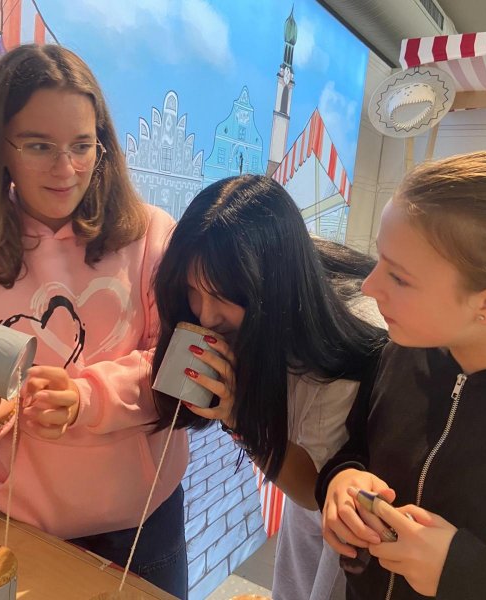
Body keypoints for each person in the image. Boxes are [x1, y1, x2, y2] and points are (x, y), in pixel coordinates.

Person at [0, 44, 189, 598]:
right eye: (39, 146)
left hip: (144, 524)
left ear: (102, 145)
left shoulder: (153, 237)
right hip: (13, 524)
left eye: (81, 146)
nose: (65, 169)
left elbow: (180, 367)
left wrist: (87, 397)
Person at [318, 150, 486, 599]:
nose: (369, 286)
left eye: (399, 277)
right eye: (379, 259)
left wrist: (462, 572)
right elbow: (356, 450)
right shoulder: (402, 354)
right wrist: (342, 482)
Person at [151, 175, 387, 600]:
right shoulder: (277, 270)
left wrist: (238, 415)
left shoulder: (338, 350)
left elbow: (312, 490)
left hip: (355, 510)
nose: (205, 316)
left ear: (268, 289)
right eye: (191, 290)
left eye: (223, 296)